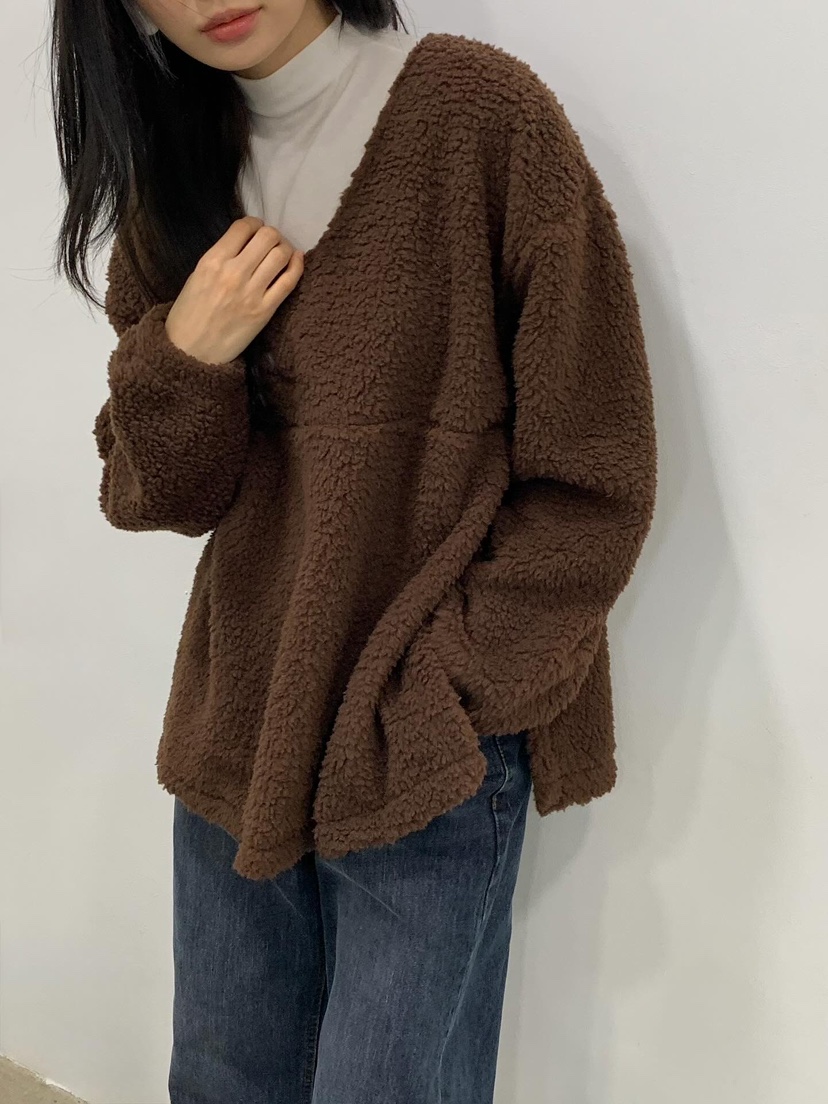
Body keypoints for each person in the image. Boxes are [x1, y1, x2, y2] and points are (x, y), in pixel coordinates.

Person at [49, 1, 658, 1100]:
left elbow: (595, 471)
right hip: (240, 722)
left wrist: (448, 691)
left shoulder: (481, 116)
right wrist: (186, 354)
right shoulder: (173, 175)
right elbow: (158, 496)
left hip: (424, 745)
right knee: (221, 1083)